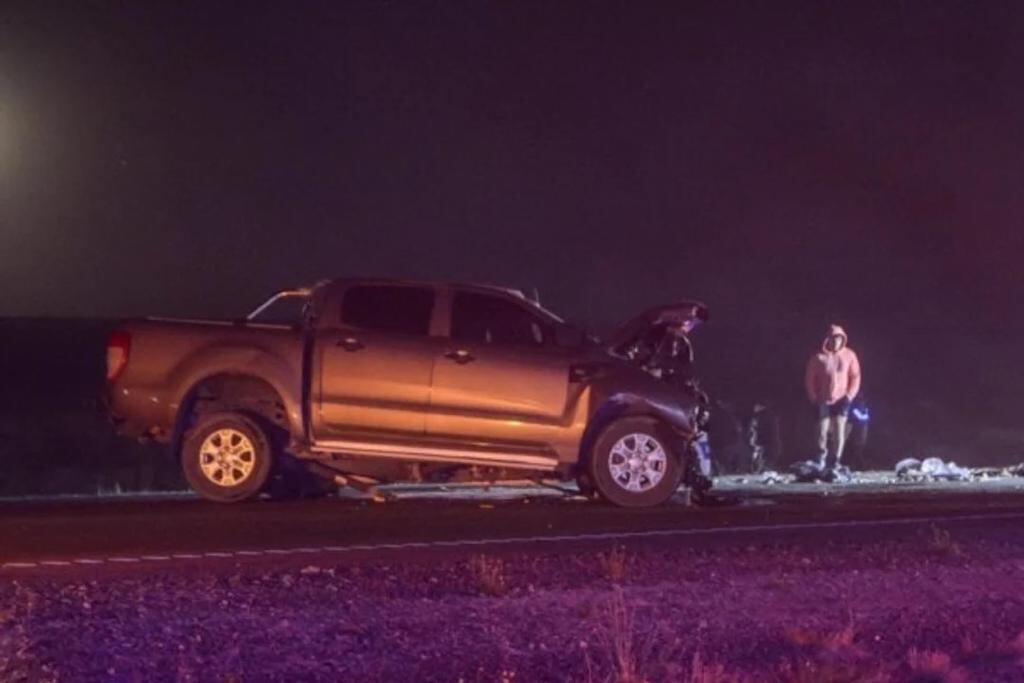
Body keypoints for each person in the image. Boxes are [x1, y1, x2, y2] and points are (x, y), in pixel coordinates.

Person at [805, 324, 862, 469]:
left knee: (839, 429)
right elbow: (809, 379)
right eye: (833, 338)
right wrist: (813, 397)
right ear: (828, 339)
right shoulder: (818, 357)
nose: (836, 341)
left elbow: (855, 377)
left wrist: (849, 396)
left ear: (843, 339)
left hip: (842, 398)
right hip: (823, 399)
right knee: (822, 430)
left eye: (839, 338)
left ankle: (835, 459)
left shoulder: (850, 355)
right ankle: (820, 457)